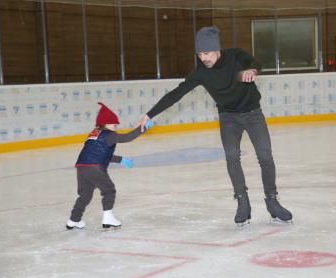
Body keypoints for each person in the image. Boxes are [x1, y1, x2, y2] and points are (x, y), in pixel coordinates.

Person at [137, 26, 292, 227]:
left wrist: (251, 70)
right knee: (232, 156)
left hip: (253, 114)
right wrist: (150, 114)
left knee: (265, 156)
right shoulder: (200, 72)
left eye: (207, 53)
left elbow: (256, 62)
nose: (203, 58)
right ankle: (242, 202)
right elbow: (177, 93)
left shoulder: (236, 56)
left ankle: (272, 201)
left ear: (217, 49)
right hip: (228, 118)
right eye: (200, 54)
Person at [66, 102, 152, 230]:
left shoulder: (94, 134)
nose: (116, 128)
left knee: (85, 195)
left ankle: (73, 220)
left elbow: (100, 154)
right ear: (106, 124)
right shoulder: (109, 135)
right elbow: (127, 137)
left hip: (82, 166)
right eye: (114, 125)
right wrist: (143, 128)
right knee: (109, 190)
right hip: (95, 167)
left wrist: (120, 159)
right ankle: (108, 218)